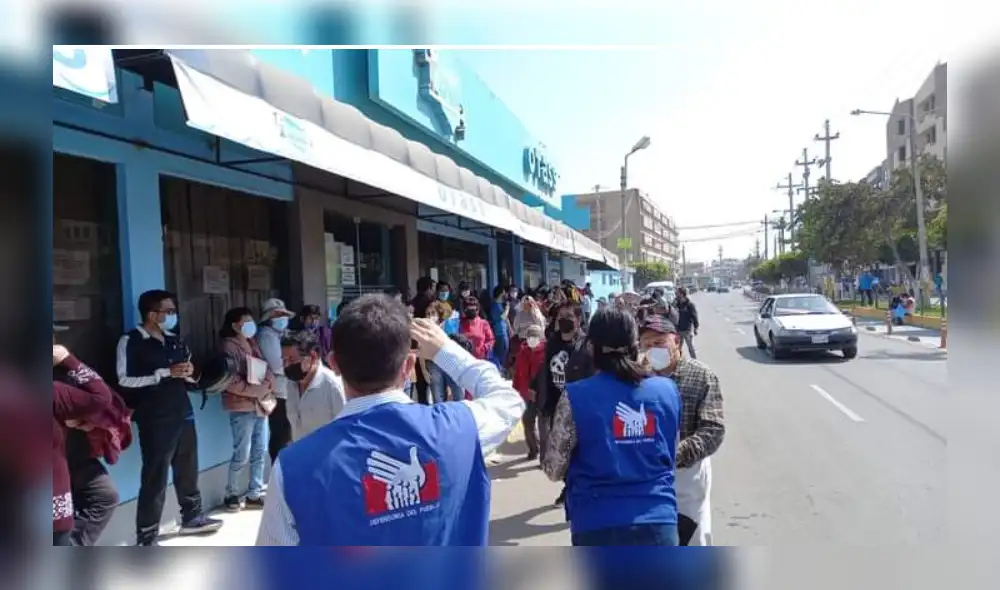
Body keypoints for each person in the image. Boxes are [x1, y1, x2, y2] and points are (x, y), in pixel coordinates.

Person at [255, 295, 525, 546]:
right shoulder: (458, 427)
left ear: (334, 363)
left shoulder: (292, 468)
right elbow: (508, 399)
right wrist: (444, 350)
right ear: (408, 366)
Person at [541, 307, 682, 546]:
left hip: (596, 525)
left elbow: (554, 468)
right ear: (636, 344)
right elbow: (671, 454)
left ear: (591, 346)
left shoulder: (575, 396)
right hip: (659, 522)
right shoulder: (667, 390)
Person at [116, 289, 222, 545]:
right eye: (168, 311)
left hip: (182, 411)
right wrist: (163, 373)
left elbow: (188, 374)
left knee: (188, 468)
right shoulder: (131, 341)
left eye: (174, 311)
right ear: (152, 314)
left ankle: (192, 517)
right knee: (155, 475)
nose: (173, 316)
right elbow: (123, 379)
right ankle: (148, 535)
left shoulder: (175, 340)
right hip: (155, 417)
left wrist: (188, 372)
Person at [639, 314, 724, 546]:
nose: (652, 350)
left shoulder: (701, 376)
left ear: (676, 341)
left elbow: (713, 429)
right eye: (646, 345)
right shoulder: (637, 378)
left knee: (692, 537)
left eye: (658, 343)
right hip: (645, 475)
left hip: (687, 474)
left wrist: (676, 454)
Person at [53, 336, 124, 546]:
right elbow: (100, 397)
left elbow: (100, 399)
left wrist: (89, 420)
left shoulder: (65, 372)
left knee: (104, 496)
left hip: (73, 455)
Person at [535, 300, 592, 506]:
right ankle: (569, 486)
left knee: (578, 450)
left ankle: (573, 488)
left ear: (578, 320)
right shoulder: (552, 343)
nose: (564, 320)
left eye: (569, 316)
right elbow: (547, 372)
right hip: (556, 403)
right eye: (561, 317)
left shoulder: (586, 345)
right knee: (562, 450)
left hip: (578, 406)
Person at [219, 307, 276, 512]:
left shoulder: (252, 343)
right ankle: (232, 493)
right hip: (241, 405)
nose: (250, 325)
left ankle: (254, 493)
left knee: (260, 450)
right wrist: (257, 391)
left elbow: (266, 368)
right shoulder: (228, 346)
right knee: (242, 452)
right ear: (235, 325)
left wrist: (268, 384)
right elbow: (230, 381)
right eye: (246, 322)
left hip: (260, 404)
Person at [281, 330, 346, 441]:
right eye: (284, 360)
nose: (287, 365)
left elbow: (345, 429)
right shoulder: (291, 384)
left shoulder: (334, 386)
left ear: (312, 356)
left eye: (292, 360)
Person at [255, 298, 295, 465]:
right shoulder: (266, 335)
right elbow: (278, 365)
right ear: (269, 317)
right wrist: (292, 364)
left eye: (283, 315)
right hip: (275, 391)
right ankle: (278, 471)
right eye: (277, 315)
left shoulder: (281, 334)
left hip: (285, 389)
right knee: (279, 434)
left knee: (286, 433)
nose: (282, 318)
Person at [512, 324, 546, 460]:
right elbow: (518, 374)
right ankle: (533, 448)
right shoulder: (522, 353)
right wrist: (516, 390)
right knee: (527, 421)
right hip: (526, 394)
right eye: (530, 336)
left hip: (543, 394)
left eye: (535, 336)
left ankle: (544, 456)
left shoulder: (547, 353)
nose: (532, 339)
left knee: (543, 426)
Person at [421, 301, 462, 402]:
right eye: (428, 314)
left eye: (433, 313)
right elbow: (420, 351)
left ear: (439, 315)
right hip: (433, 364)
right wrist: (424, 371)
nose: (430, 316)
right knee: (438, 397)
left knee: (458, 394)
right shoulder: (425, 329)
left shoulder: (448, 325)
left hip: (449, 362)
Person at [458, 296, 495, 361]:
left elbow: (491, 340)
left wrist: (484, 349)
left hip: (481, 359)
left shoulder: (483, 323)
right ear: (464, 310)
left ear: (478, 310)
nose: (471, 311)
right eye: (469, 309)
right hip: (464, 359)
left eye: (473, 309)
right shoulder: (459, 323)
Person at [489, 286, 512, 371]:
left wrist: (510, 329)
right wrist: (507, 309)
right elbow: (502, 317)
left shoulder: (500, 304)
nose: (505, 294)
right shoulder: (495, 306)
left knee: (505, 351)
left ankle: (501, 368)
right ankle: (498, 369)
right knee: (501, 352)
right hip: (499, 333)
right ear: (500, 294)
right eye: (504, 292)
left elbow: (505, 319)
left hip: (503, 331)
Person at [673, 287, 699, 359]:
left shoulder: (689, 305)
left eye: (677, 293)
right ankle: (678, 361)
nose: (676, 294)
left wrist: (696, 328)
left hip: (687, 330)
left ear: (682, 294)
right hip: (678, 330)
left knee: (690, 347)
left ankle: (694, 362)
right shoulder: (676, 304)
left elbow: (694, 317)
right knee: (677, 348)